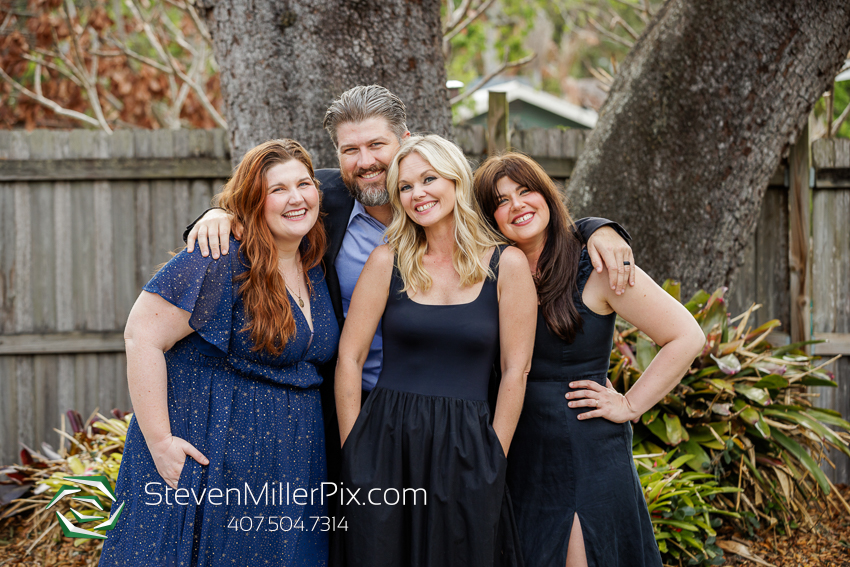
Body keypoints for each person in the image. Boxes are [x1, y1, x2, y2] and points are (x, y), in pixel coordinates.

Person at [183, 86, 635, 483]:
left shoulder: (455, 202)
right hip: (354, 412)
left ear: (406, 141)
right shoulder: (319, 200)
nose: (365, 163)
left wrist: (598, 229)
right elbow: (254, 203)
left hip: (461, 417)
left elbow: (524, 214)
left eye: (377, 145)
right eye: (349, 150)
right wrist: (218, 215)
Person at [99, 140, 339, 567]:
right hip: (214, 451)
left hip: (291, 464)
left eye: (304, 183)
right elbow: (142, 335)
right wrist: (160, 442)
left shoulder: (313, 262)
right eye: (277, 189)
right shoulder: (219, 256)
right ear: (252, 201)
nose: (296, 197)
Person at [472, 153, 706, 567]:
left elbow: (686, 336)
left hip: (581, 445)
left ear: (546, 193)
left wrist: (630, 405)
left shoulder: (596, 264)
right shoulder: (488, 270)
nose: (518, 205)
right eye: (502, 200)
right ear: (490, 216)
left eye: (525, 191)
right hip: (514, 445)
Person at [336, 135, 536, 567]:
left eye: (429, 178)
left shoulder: (507, 265)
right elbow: (349, 359)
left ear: (456, 179)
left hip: (469, 446)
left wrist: (493, 456)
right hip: (386, 444)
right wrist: (354, 451)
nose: (417, 194)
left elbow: (515, 371)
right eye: (405, 187)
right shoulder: (386, 261)